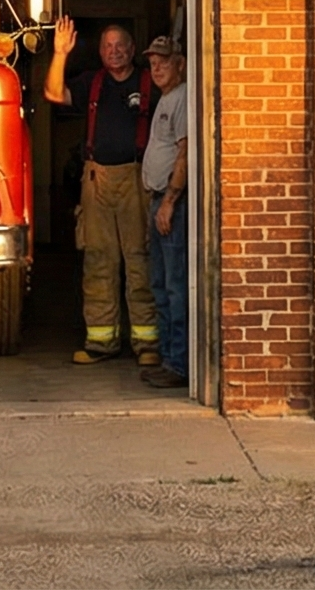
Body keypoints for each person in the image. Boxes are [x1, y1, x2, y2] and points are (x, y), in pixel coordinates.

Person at [45, 18, 159, 366]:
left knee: (140, 260)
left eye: (120, 45)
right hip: (96, 180)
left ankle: (147, 344)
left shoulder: (150, 83)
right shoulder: (91, 84)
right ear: (100, 52)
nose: (115, 51)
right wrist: (59, 53)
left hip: (137, 179)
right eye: (108, 46)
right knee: (98, 261)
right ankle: (101, 342)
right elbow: (53, 93)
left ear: (132, 48)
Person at [139, 35, 191, 390]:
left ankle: (179, 364)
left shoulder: (183, 98)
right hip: (157, 199)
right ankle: (168, 358)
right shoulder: (165, 99)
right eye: (152, 62)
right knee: (160, 284)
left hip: (171, 204)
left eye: (164, 61)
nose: (156, 67)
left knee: (175, 286)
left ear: (180, 63)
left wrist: (171, 200)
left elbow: (185, 153)